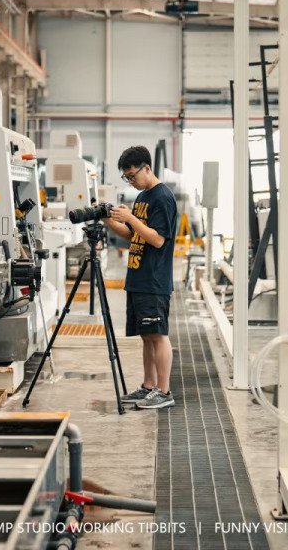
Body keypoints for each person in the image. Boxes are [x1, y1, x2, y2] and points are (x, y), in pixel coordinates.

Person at [103, 145, 178, 410]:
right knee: (147, 336)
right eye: (127, 178)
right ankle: (148, 386)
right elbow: (135, 234)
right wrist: (110, 221)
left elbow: (157, 240)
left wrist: (132, 218)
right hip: (137, 277)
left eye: (133, 175)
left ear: (147, 167)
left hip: (154, 279)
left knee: (158, 334)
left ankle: (164, 391)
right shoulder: (144, 196)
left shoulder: (162, 198)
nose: (131, 181)